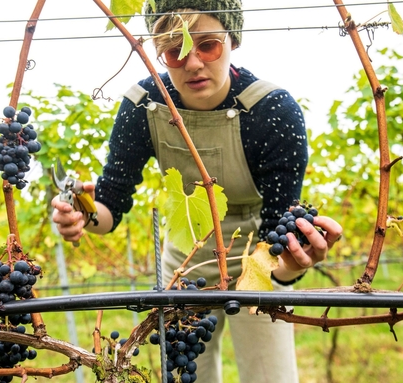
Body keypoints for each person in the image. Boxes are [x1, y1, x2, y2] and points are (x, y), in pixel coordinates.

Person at [51, 1, 343, 382]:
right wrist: (83, 216)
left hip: (257, 254)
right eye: (174, 50)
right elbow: (109, 206)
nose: (191, 63)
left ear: (232, 39)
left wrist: (291, 265)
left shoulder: (272, 109)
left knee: (270, 375)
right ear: (158, 51)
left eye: (207, 45)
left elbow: (278, 233)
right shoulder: (143, 105)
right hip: (186, 258)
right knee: (186, 374)